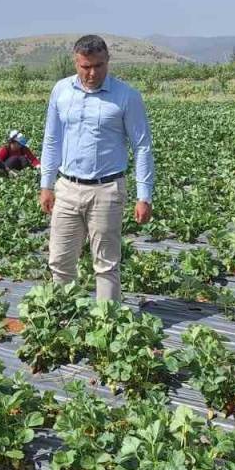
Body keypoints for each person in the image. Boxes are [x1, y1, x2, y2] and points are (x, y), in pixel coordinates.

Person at [40, 35, 154, 302]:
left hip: (107, 189)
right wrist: (46, 184)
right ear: (75, 62)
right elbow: (52, 139)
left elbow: (142, 146)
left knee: (106, 264)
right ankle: (64, 316)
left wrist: (144, 195)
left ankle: (107, 323)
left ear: (108, 62)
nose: (92, 73)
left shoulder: (126, 96)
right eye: (85, 67)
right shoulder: (61, 90)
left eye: (99, 66)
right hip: (67, 187)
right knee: (59, 261)